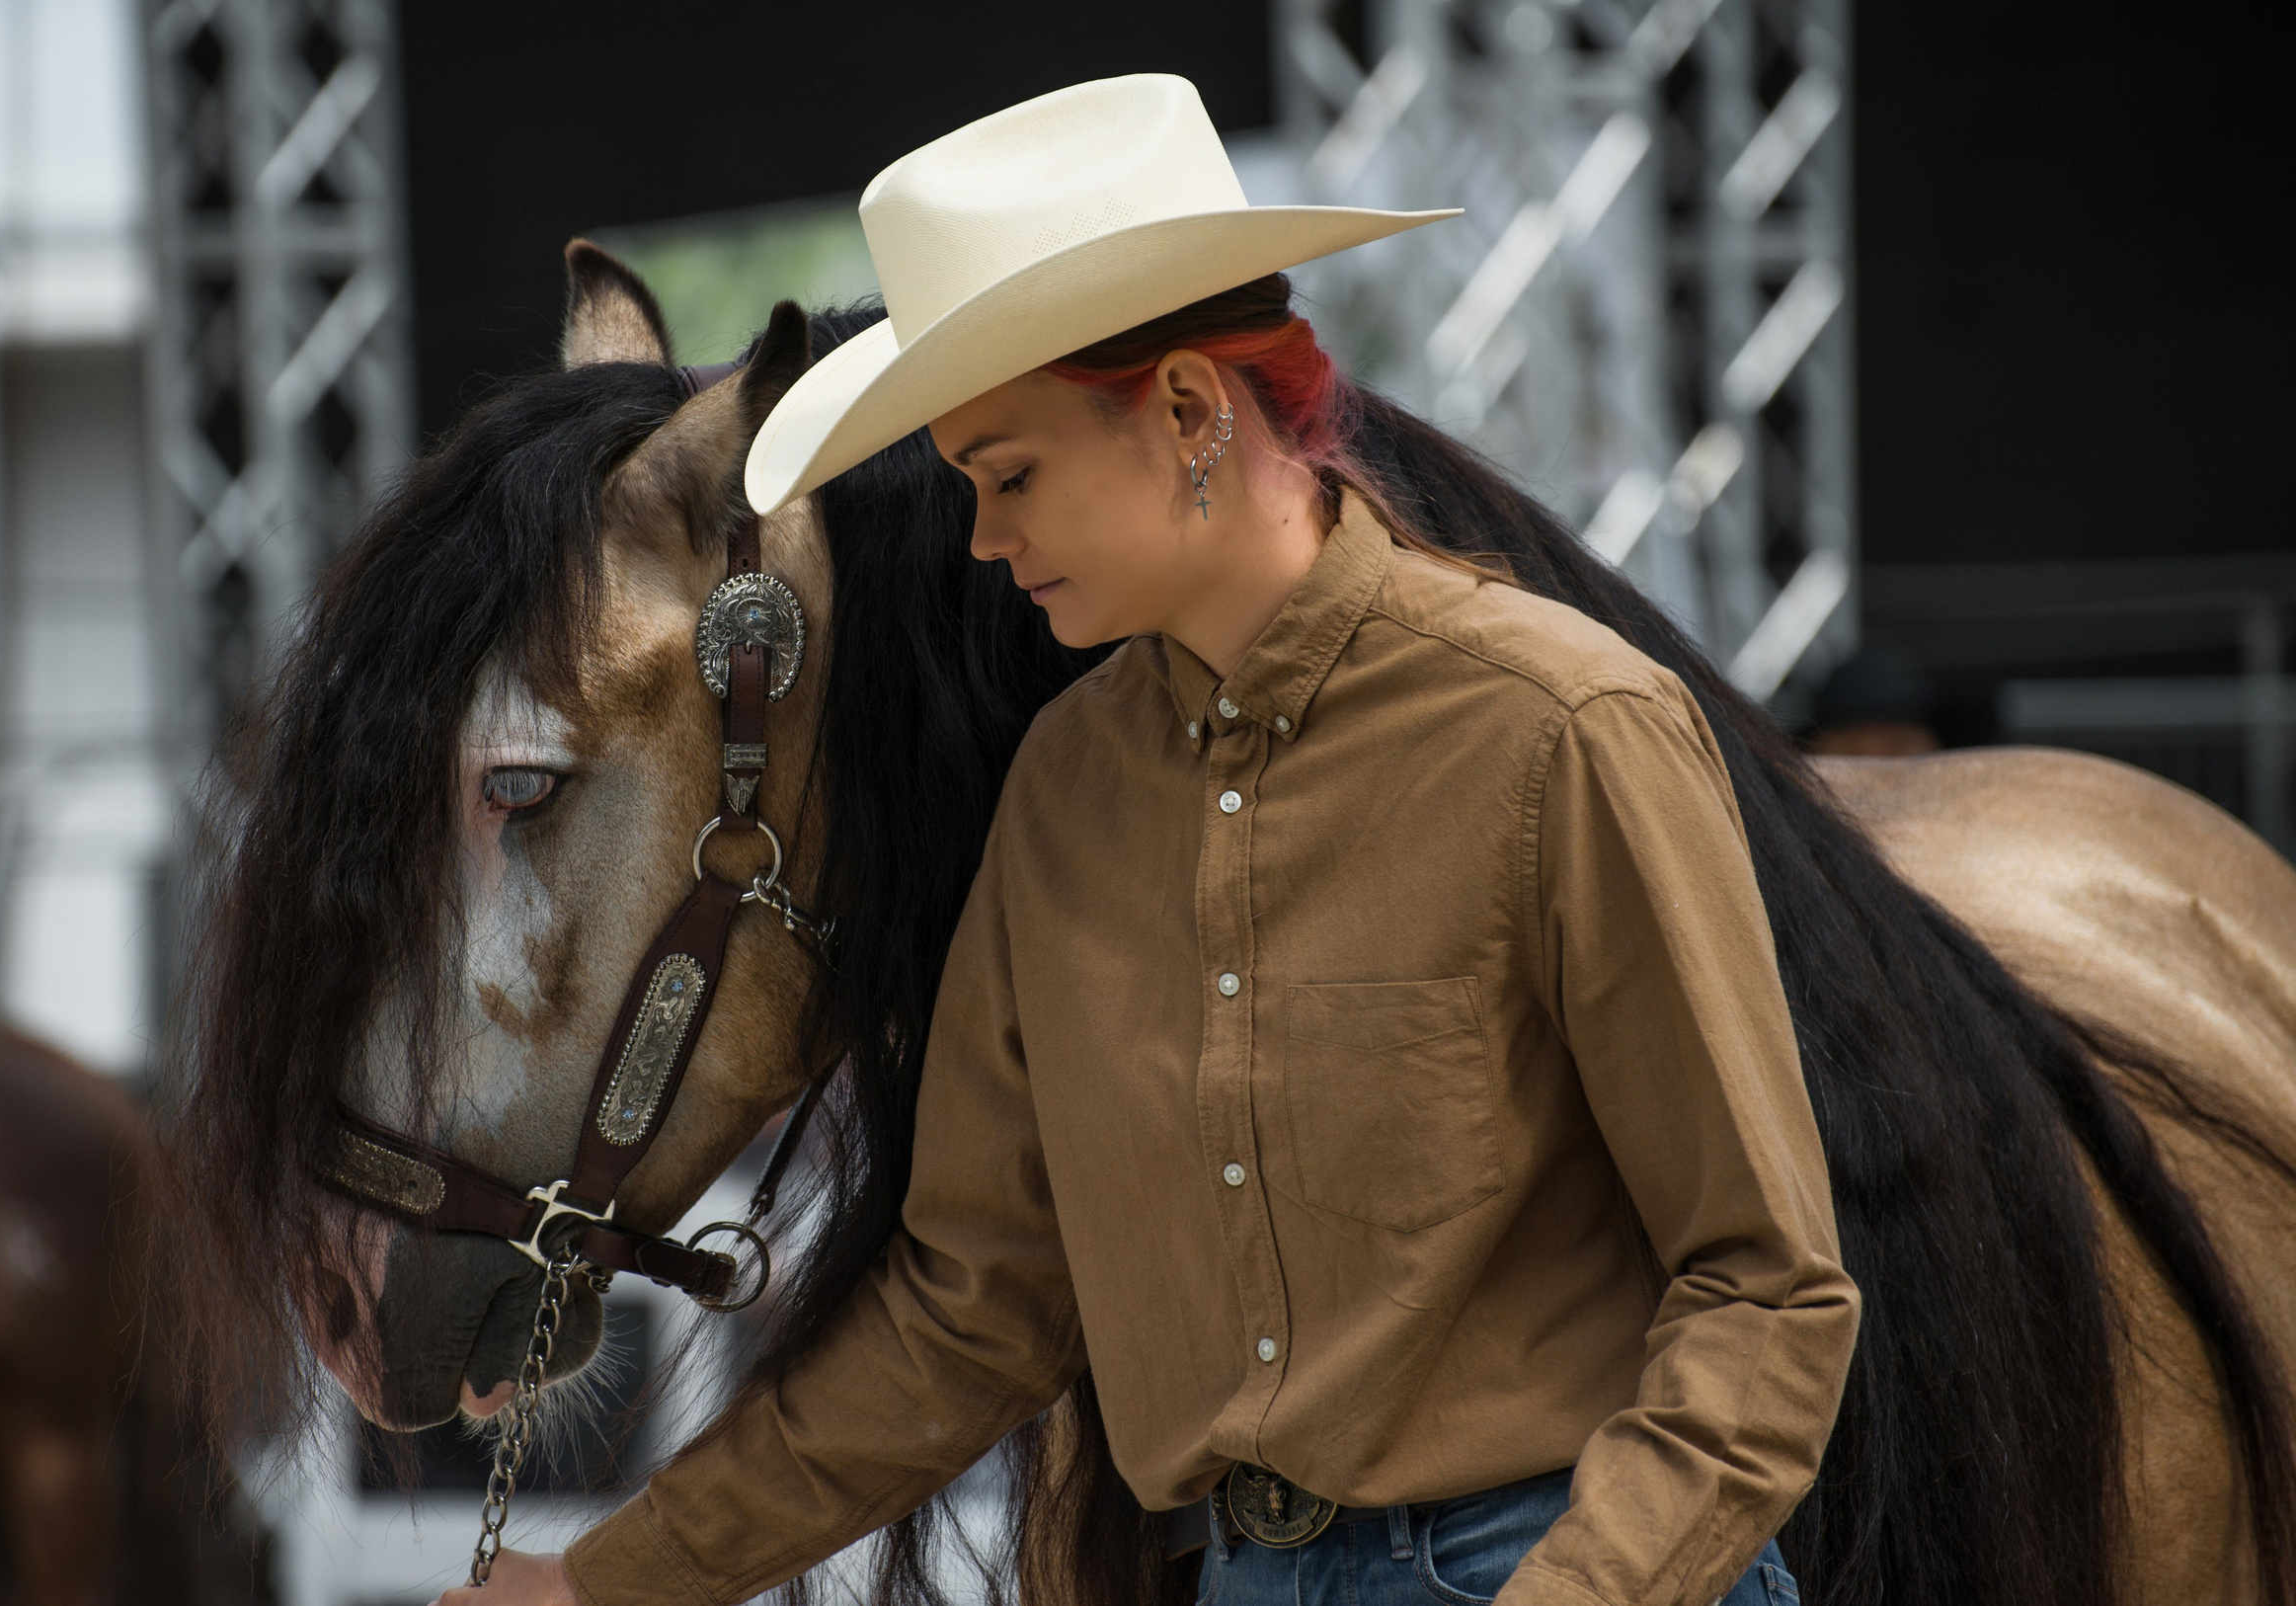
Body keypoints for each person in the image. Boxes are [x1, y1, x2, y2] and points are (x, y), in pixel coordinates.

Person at [444, 74, 1858, 1606]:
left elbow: (1766, 1296)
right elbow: (967, 1319)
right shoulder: (1061, 795)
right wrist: (606, 1581)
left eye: (1011, 475)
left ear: (1188, 412)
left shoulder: (1563, 728)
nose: (984, 537)